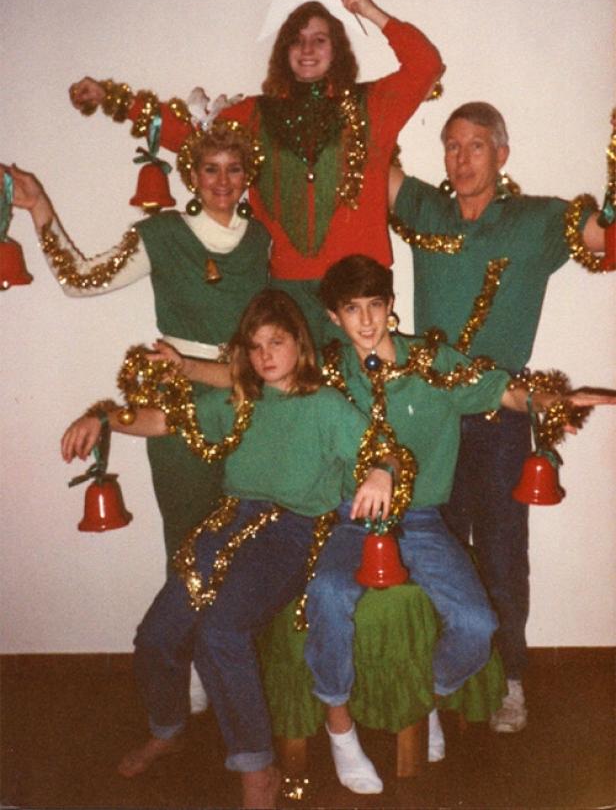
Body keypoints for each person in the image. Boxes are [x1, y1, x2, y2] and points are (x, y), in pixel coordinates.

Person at [60, 289, 398, 810]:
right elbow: (162, 421)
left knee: (220, 628)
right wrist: (103, 419)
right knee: (156, 635)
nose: (266, 354)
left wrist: (379, 469)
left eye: (276, 342)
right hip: (229, 522)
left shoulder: (327, 405)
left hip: (292, 531)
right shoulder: (239, 400)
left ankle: (256, 766)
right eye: (256, 345)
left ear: (298, 345)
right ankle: (168, 728)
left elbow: (385, 450)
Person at [305, 254, 615, 783]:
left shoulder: (431, 362)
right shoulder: (327, 374)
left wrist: (545, 398)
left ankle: (424, 700)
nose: (366, 320)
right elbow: (255, 375)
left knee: (478, 624)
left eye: (375, 305)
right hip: (351, 518)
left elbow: (501, 390)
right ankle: (340, 727)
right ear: (333, 316)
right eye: (351, 309)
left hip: (421, 521)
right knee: (329, 594)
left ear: (391, 306)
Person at [4, 121, 270, 713]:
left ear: (247, 175)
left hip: (252, 405)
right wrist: (39, 205)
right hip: (175, 408)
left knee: (253, 544)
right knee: (188, 543)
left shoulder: (267, 241)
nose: (223, 180)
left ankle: (249, 670)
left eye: (234, 168)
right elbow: (80, 279)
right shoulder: (164, 233)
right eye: (210, 168)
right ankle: (199, 665)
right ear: (191, 176)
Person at [388, 101, 612, 732]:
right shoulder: (427, 209)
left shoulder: (537, 221)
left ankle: (510, 679)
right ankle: (445, 676)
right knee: (433, 550)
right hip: (428, 417)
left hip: (502, 416)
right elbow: (369, 158)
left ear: (502, 154)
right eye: (451, 146)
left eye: (476, 146)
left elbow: (602, 237)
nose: (461, 159)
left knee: (504, 552)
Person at [68, 0, 444, 343]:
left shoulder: (372, 106)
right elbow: (191, 137)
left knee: (366, 398)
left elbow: (426, 65)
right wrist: (113, 98)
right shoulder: (254, 115)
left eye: (319, 39)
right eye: (296, 40)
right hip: (288, 287)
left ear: (337, 49)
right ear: (283, 51)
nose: (307, 48)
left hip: (359, 287)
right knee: (296, 400)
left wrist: (369, 10)